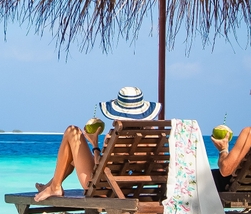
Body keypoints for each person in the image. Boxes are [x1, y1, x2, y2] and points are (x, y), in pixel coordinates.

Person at [33, 86, 162, 202]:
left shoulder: (115, 136)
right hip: (132, 190)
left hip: (103, 190)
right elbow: (159, 169)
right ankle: (51, 185)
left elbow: (100, 169)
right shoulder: (154, 137)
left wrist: (94, 144)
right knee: (72, 154)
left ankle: (55, 187)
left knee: (72, 131)